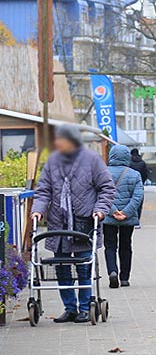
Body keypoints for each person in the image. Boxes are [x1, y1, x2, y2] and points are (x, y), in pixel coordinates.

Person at [31, 124, 115, 324]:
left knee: (84, 266)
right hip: (58, 224)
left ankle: (86, 307)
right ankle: (70, 308)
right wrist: (38, 209)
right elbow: (44, 190)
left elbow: (107, 188)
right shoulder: (53, 161)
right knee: (61, 266)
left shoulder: (92, 160)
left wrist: (100, 209)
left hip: (84, 221)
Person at [103, 144, 144, 289]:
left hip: (108, 217)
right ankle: (125, 277)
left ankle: (112, 272)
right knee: (126, 245)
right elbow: (138, 196)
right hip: (128, 218)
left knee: (110, 246)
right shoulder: (134, 174)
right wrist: (126, 212)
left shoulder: (103, 173)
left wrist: (112, 211)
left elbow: (100, 194)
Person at [129, 148, 149, 225]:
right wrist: (142, 182)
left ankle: (131, 218)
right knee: (139, 203)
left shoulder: (129, 163)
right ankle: (137, 220)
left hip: (130, 184)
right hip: (139, 184)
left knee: (130, 202)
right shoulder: (142, 163)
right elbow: (146, 174)